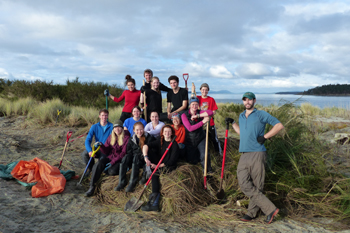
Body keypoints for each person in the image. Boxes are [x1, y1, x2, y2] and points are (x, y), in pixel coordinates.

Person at [226, 92, 284, 224]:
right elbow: (243, 132)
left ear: (254, 101)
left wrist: (265, 137)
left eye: (250, 100)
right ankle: (271, 209)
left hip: (258, 153)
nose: (247, 102)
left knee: (258, 186)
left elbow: (279, 125)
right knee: (243, 183)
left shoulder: (261, 114)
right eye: (245, 100)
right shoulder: (241, 116)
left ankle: (252, 213)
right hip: (244, 154)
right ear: (243, 101)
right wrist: (233, 123)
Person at [85, 120, 130, 197]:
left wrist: (112, 162)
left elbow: (123, 153)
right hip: (110, 157)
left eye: (119, 127)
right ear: (113, 129)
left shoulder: (126, 138)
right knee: (98, 164)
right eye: (115, 128)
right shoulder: (111, 137)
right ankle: (92, 186)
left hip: (119, 160)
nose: (117, 129)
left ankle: (105, 172)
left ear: (122, 128)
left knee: (111, 171)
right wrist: (101, 146)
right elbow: (106, 151)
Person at [141, 125, 179, 211]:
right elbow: (145, 146)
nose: (167, 133)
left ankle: (155, 203)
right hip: (159, 161)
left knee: (155, 175)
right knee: (148, 151)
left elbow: (171, 161)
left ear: (172, 133)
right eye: (165, 131)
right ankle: (145, 173)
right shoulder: (160, 140)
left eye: (169, 131)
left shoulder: (174, 144)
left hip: (168, 166)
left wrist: (158, 166)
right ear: (162, 133)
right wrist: (146, 157)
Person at [115, 122, 155, 192]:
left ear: (143, 129)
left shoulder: (149, 137)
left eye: (141, 129)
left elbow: (152, 150)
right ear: (133, 130)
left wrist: (142, 156)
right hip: (134, 160)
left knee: (136, 156)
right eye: (137, 130)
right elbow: (129, 151)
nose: (139, 132)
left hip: (144, 159)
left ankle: (132, 183)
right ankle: (122, 181)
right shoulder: (131, 139)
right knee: (126, 157)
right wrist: (130, 157)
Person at [181, 96, 213, 173]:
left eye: (196, 104)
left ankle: (208, 173)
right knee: (192, 161)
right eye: (193, 104)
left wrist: (198, 116)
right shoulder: (184, 115)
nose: (194, 106)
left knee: (204, 156)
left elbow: (210, 112)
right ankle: (195, 175)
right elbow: (190, 128)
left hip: (201, 139)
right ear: (189, 105)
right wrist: (203, 122)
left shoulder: (199, 112)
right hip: (190, 141)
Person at [81, 109, 113, 175]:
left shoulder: (112, 126)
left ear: (107, 116)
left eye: (106, 115)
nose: (104, 117)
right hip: (97, 148)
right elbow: (88, 140)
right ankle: (91, 169)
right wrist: (90, 151)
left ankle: (99, 171)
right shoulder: (94, 127)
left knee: (101, 161)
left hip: (106, 150)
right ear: (99, 116)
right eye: (102, 115)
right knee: (84, 154)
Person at [197, 83, 222, 155]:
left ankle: (219, 153)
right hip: (200, 123)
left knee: (214, 139)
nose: (204, 91)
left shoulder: (211, 99)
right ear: (200, 90)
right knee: (203, 140)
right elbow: (192, 99)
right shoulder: (198, 98)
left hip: (210, 122)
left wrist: (208, 115)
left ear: (208, 91)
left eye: (206, 90)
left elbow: (214, 112)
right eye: (203, 90)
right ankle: (205, 154)